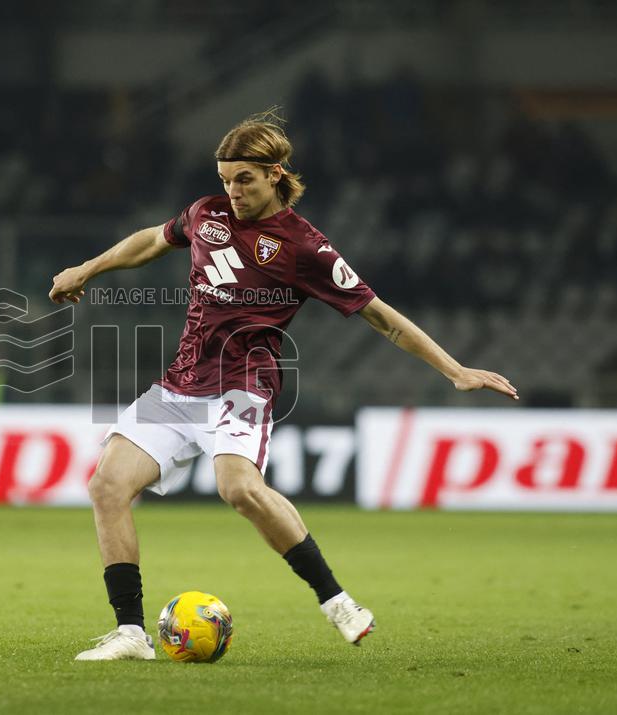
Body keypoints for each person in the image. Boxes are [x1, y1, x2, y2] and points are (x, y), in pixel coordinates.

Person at [49, 111, 517, 660]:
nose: (232, 191)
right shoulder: (206, 214)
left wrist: (455, 370)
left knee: (238, 488)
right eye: (225, 179)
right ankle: (131, 633)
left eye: (244, 179)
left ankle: (337, 600)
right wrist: (88, 268)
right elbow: (152, 240)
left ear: (275, 174)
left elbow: (382, 318)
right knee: (106, 485)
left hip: (242, 386)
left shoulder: (304, 247)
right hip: (181, 386)